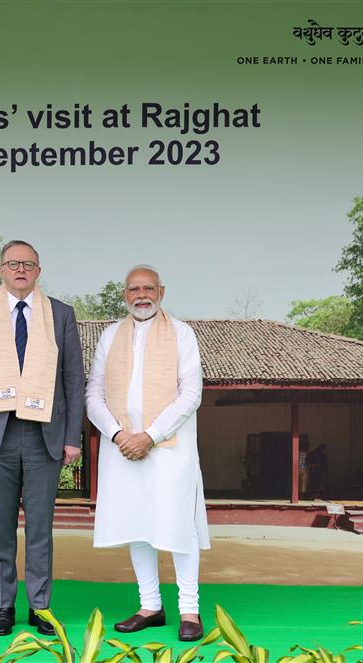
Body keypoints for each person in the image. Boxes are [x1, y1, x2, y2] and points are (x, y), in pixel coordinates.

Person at [0, 240, 84, 636]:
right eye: (13, 263)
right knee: (1, 528)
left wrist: (72, 437)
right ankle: (2, 606)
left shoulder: (60, 315)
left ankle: (41, 607)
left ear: (38, 271)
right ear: (1, 270)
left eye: (28, 264)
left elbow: (74, 379)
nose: (20, 270)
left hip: (46, 433)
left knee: (41, 527)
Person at [86, 264, 210, 642]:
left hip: (170, 448)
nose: (142, 295)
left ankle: (190, 610)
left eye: (149, 288)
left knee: (178, 527)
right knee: (137, 524)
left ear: (162, 292)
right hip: (122, 448)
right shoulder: (110, 336)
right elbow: (93, 394)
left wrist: (150, 435)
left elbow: (191, 394)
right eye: (134, 289)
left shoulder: (183, 334)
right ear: (125, 295)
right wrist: (120, 434)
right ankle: (150, 606)